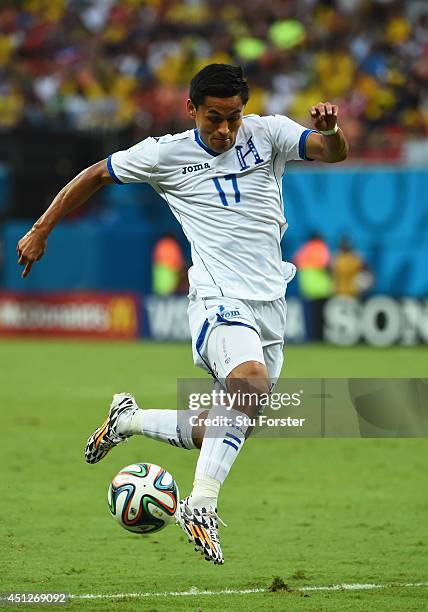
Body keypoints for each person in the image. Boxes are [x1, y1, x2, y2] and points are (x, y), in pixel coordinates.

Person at [16, 64, 348, 565]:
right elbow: (96, 174)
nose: (225, 130)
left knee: (223, 425)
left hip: (269, 305)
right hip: (217, 297)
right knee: (250, 385)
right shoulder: (165, 154)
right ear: (190, 109)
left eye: (234, 118)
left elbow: (330, 152)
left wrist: (331, 132)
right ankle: (201, 506)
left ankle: (128, 421)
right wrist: (42, 229)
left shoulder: (269, 133)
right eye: (214, 118)